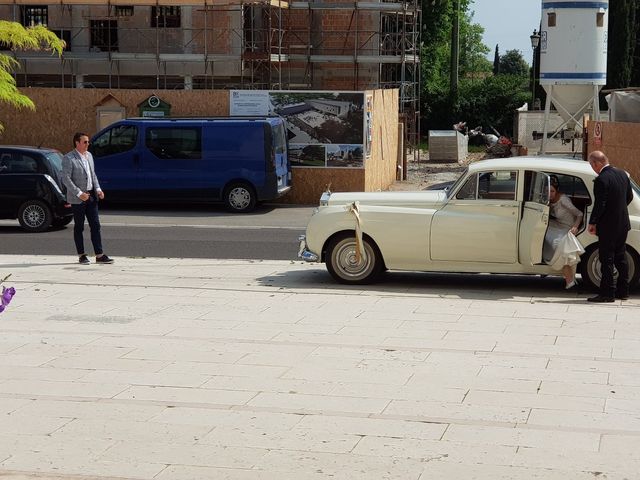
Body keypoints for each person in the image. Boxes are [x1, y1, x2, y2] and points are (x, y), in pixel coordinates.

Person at [587, 150, 633, 302]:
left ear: (596, 163)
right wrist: (617, 209)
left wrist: (593, 222)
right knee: (621, 257)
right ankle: (623, 291)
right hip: (623, 224)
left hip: (608, 226)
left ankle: (607, 294)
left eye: (591, 164)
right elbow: (629, 197)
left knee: (606, 258)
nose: (592, 168)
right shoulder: (622, 174)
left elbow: (600, 204)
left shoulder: (602, 179)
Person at [61, 132, 114, 265]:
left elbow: (92, 174)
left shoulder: (89, 156)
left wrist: (98, 189)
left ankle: (99, 255)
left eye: (88, 142)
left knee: (95, 225)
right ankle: (82, 255)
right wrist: (79, 193)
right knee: (79, 226)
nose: (88, 144)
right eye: (85, 142)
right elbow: (65, 179)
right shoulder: (69, 158)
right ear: (77, 143)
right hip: (78, 198)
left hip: (91, 196)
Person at [543, 176, 584, 290]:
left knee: (559, 243)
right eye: (547, 191)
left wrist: (575, 227)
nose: (550, 194)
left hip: (567, 226)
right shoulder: (547, 201)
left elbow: (579, 214)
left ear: (557, 191)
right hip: (557, 224)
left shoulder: (563, 200)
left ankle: (568, 277)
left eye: (552, 191)